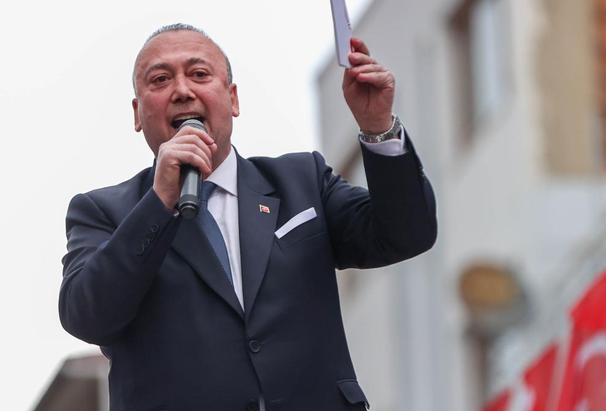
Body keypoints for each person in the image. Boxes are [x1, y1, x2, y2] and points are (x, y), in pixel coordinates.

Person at [59, 23, 437, 411]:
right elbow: (87, 316)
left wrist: (378, 128)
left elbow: (407, 233)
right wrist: (160, 202)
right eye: (160, 80)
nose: (183, 90)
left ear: (233, 99)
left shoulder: (301, 181)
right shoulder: (104, 212)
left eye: (199, 74)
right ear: (138, 113)